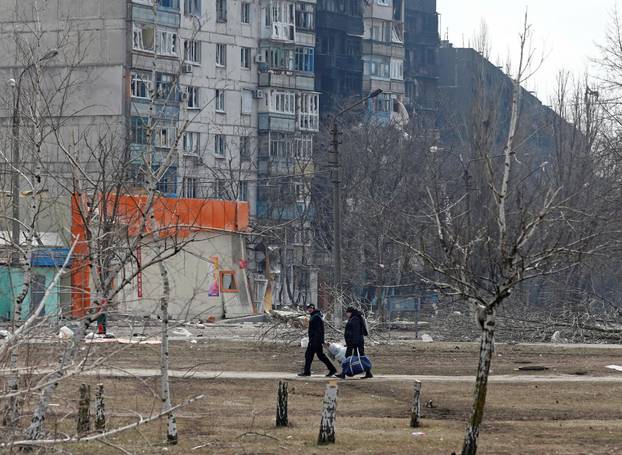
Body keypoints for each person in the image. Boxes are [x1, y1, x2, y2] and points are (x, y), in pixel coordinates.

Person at [299, 304, 336, 377]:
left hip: (315, 341)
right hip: (315, 340)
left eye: (311, 308)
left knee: (310, 355)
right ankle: (332, 369)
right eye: (308, 308)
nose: (309, 309)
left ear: (313, 308)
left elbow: (319, 331)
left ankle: (307, 372)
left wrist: (315, 341)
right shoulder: (315, 316)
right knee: (318, 356)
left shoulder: (316, 317)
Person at [336, 307, 373, 379]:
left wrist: (354, 343)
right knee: (359, 357)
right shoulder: (354, 318)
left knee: (352, 357)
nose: (346, 314)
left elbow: (356, 331)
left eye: (347, 313)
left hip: (355, 342)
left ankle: (343, 373)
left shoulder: (355, 319)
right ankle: (368, 373)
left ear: (350, 312)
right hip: (353, 342)